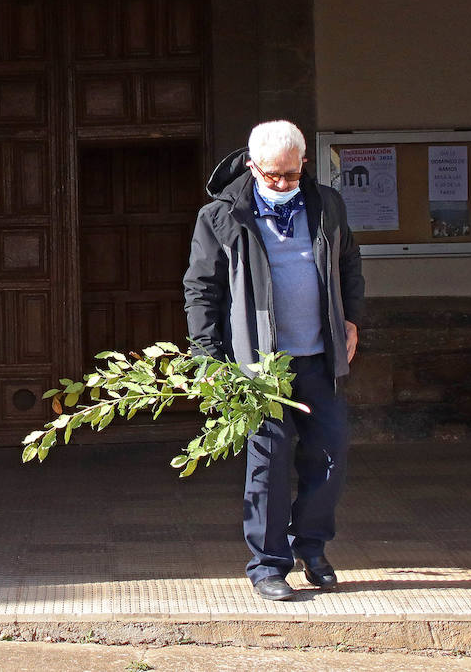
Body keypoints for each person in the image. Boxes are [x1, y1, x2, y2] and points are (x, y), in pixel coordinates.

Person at [184, 120, 365, 601]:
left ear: (304, 163)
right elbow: (201, 288)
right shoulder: (221, 216)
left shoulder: (326, 204)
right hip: (259, 365)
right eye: (273, 175)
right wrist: (207, 356)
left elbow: (349, 265)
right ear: (252, 165)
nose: (283, 183)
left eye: (292, 173)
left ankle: (313, 549)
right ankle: (267, 565)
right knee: (269, 460)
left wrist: (351, 320)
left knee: (330, 452)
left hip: (317, 357)